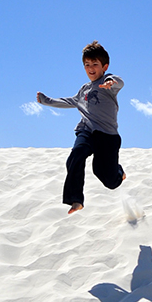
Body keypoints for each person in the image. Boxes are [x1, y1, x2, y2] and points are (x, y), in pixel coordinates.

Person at [36, 41, 125, 214]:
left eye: (95, 64)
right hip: (87, 131)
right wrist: (48, 101)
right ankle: (75, 199)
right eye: (87, 65)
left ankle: (119, 173)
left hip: (107, 136)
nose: (90, 68)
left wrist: (110, 81)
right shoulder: (84, 90)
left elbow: (119, 82)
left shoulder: (108, 84)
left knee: (105, 176)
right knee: (76, 155)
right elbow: (70, 101)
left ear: (104, 66)